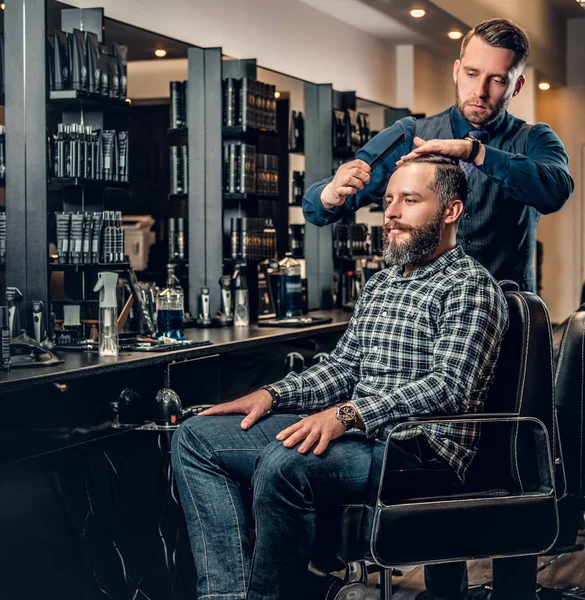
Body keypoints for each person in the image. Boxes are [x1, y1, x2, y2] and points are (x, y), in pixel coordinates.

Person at [171, 155, 509, 600]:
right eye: (388, 200)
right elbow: (344, 366)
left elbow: (449, 386)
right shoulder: (383, 282)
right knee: (196, 438)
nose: (390, 213)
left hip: (418, 450)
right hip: (361, 435)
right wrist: (271, 395)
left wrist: (348, 414)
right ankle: (228, 595)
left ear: (450, 211)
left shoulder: (470, 286)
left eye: (409, 200)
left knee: (284, 465)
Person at [303, 17, 573, 293]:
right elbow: (317, 208)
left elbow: (555, 191)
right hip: (421, 316)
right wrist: (330, 193)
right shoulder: (409, 135)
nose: (480, 91)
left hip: (506, 315)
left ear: (517, 85)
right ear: (456, 71)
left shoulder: (534, 138)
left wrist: (476, 152)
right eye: (471, 73)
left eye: (497, 80)